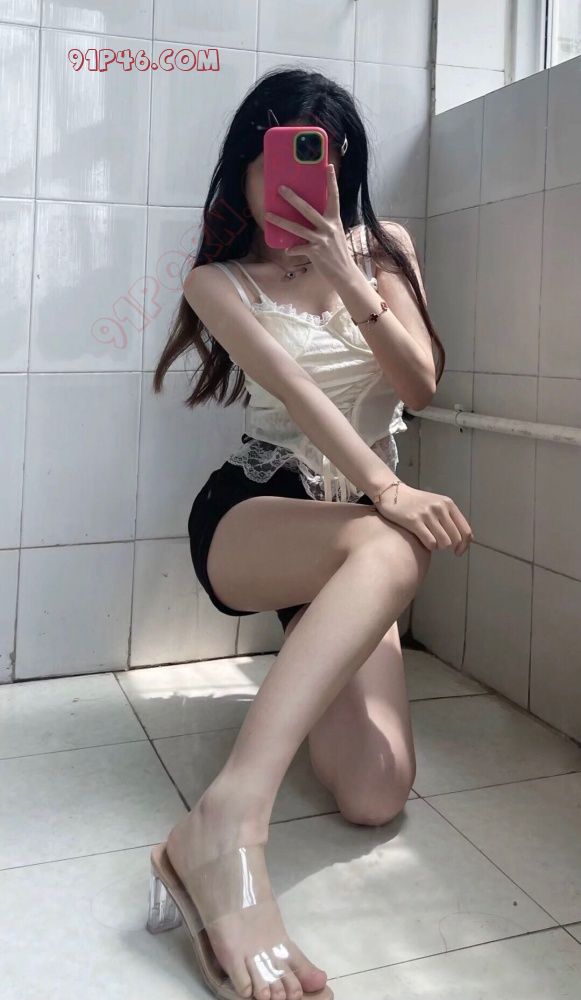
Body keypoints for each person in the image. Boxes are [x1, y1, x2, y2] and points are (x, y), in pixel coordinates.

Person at [148, 68, 473, 1000]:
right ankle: (224, 824)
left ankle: (309, 656)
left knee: (375, 793)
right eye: (266, 161)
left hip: (363, 531)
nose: (281, 184)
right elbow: (293, 393)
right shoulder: (216, 281)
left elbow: (418, 387)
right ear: (243, 168)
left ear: (341, 168)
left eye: (309, 160)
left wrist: (346, 273)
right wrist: (387, 491)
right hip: (260, 510)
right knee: (391, 541)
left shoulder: (387, 249)